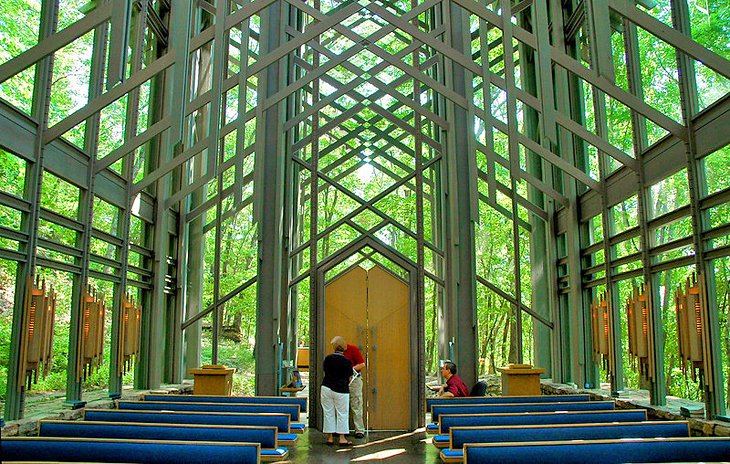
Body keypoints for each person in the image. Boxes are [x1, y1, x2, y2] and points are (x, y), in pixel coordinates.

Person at [331, 336, 366, 439]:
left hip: (354, 381)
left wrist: (349, 369)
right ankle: (341, 430)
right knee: (341, 406)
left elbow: (362, 364)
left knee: (356, 404)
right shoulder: (336, 354)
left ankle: (359, 430)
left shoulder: (353, 349)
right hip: (342, 381)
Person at [321, 337, 353, 446]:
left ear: (334, 347)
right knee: (342, 413)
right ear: (344, 348)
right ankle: (342, 438)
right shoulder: (347, 361)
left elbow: (325, 371)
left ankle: (330, 437)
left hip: (326, 387)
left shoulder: (328, 358)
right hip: (341, 389)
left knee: (328, 412)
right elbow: (349, 377)